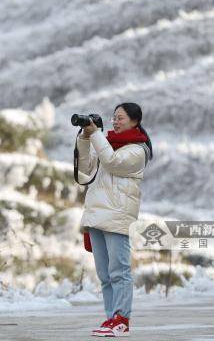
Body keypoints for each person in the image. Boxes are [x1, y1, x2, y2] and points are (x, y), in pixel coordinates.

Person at [76, 102, 153, 337]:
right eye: (113, 117)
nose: (115, 121)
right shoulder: (107, 145)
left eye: (120, 118)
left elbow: (112, 162)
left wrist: (97, 134)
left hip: (117, 216)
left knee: (119, 270)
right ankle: (111, 318)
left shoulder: (137, 151)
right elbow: (85, 171)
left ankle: (122, 319)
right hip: (97, 215)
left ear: (134, 121)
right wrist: (85, 137)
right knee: (105, 274)